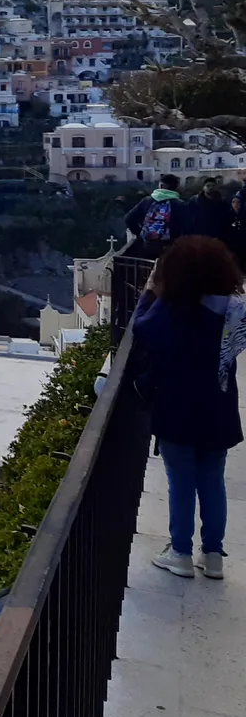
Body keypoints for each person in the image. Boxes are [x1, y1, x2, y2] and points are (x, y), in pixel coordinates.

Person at [132, 235, 246, 579]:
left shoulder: (176, 309)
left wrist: (150, 292)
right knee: (213, 480)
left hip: (178, 408)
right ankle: (213, 555)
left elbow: (143, 328)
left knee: (180, 482)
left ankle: (180, 552)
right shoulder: (232, 309)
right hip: (219, 407)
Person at [125, 174, 185, 258]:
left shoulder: (147, 200)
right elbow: (187, 225)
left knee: (146, 269)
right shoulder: (180, 204)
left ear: (161, 185)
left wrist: (140, 234)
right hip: (169, 246)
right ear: (176, 187)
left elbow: (129, 219)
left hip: (147, 244)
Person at [187, 177, 234, 245]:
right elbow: (188, 217)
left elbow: (226, 219)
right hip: (198, 237)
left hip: (217, 238)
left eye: (213, 186)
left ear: (216, 187)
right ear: (203, 187)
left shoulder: (222, 201)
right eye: (208, 186)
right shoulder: (195, 200)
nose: (211, 188)